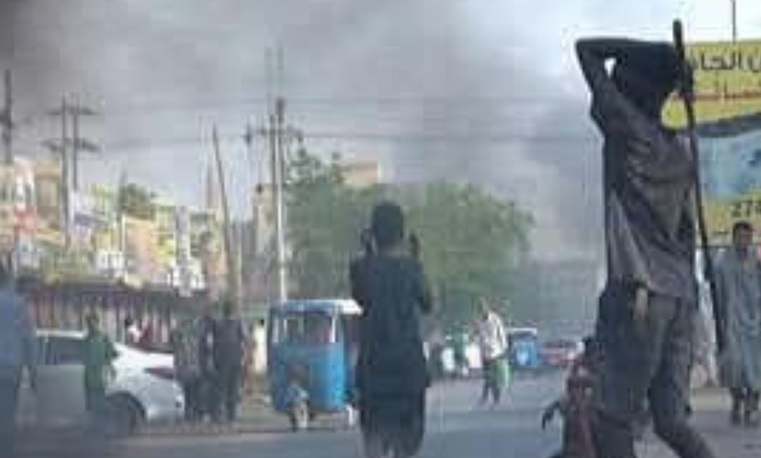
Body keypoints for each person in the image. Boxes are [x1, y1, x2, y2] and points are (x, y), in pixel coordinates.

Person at [577, 37, 715, 458]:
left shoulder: (629, 132)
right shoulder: (680, 152)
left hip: (639, 293)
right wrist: (672, 67)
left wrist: (657, 56)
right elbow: (687, 238)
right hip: (679, 298)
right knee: (671, 420)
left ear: (632, 90)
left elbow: (586, 50)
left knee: (612, 418)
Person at [350, 201, 433, 458]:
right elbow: (427, 303)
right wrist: (416, 259)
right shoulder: (411, 268)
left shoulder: (360, 268)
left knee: (374, 446)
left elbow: (362, 296)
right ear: (402, 234)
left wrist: (368, 253)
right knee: (407, 449)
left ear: (373, 233)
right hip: (408, 375)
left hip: (374, 377)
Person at [715, 221, 761, 426]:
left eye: (747, 237)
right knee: (733, 366)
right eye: (740, 237)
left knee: (755, 367)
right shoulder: (722, 261)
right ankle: (737, 399)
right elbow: (718, 292)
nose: (743, 241)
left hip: (755, 321)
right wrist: (720, 320)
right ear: (733, 238)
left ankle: (752, 406)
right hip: (731, 321)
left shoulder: (757, 260)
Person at [0, 262, 36, 456]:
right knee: (6, 417)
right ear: (6, 278)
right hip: (10, 371)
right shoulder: (19, 305)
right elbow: (29, 341)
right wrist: (33, 373)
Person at [542, 336, 598, 458]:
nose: (589, 354)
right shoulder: (579, 363)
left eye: (592, 350)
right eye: (588, 350)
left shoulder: (605, 364)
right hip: (580, 411)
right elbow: (571, 389)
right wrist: (555, 405)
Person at [212, 299, 247, 423]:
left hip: (226, 360)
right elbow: (244, 341)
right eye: (230, 311)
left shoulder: (220, 324)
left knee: (226, 388)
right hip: (231, 360)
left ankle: (225, 415)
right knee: (229, 388)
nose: (230, 313)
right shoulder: (235, 324)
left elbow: (243, 341)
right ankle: (227, 415)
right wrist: (243, 357)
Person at [83, 313, 118, 426]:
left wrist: (109, 366)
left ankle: (104, 424)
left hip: (100, 376)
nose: (91, 325)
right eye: (88, 323)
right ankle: (95, 425)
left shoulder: (103, 337)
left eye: (93, 322)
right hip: (88, 378)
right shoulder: (86, 339)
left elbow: (113, 354)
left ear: (97, 323)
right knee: (91, 405)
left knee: (101, 402)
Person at [171, 312, 204, 422]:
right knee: (191, 394)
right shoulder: (192, 338)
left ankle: (190, 414)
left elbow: (179, 356)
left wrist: (178, 368)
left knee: (189, 394)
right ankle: (192, 415)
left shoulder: (185, 338)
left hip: (189, 370)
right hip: (191, 370)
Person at [474, 299, 508, 406]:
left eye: (483, 308)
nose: (482, 310)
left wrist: (504, 348)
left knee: (492, 377)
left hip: (495, 352)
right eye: (480, 308)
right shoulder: (478, 321)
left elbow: (501, 333)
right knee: (488, 377)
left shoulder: (495, 319)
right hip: (484, 353)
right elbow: (477, 335)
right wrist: (478, 344)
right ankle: (492, 398)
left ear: (487, 308)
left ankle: (488, 398)